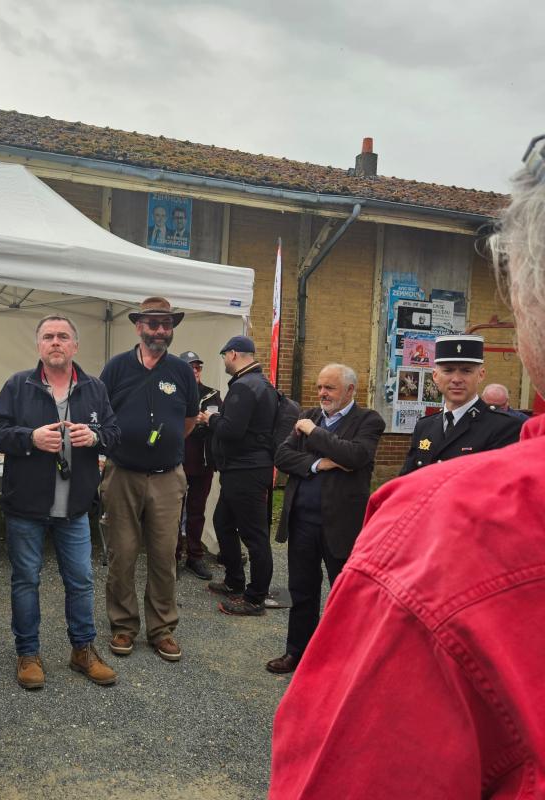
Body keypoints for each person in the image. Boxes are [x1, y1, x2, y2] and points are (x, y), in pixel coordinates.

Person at [268, 134, 545, 798]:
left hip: (364, 531)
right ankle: (299, 650)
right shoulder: (423, 427)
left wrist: (316, 447)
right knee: (304, 595)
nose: (451, 380)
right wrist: (308, 455)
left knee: (335, 595)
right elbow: (290, 453)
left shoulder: (497, 439)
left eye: (461, 371)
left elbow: (361, 459)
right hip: (308, 513)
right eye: (444, 369)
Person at [0, 315, 120, 689]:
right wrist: (30, 438)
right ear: (39, 346)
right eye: (48, 337)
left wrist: (94, 438)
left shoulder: (94, 388)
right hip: (26, 507)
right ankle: (28, 654)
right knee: (26, 580)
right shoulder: (18, 385)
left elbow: (113, 432)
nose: (56, 342)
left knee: (80, 581)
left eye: (63, 337)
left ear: (75, 346)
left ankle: (83, 650)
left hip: (75, 508)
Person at [266, 364, 384, 674]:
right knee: (301, 590)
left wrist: (313, 434)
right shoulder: (310, 415)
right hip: (302, 521)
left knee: (345, 596)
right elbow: (282, 456)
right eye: (320, 387)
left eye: (329, 388)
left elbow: (355, 456)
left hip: (341, 525)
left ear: (349, 391)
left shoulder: (367, 421)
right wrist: (320, 463)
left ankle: (346, 662)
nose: (322, 394)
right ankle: (297, 652)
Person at [100, 296, 198, 661]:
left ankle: (161, 629)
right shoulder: (116, 368)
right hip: (122, 474)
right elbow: (101, 414)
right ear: (138, 326)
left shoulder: (181, 371)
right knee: (121, 555)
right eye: (153, 324)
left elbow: (188, 420)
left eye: (166, 324)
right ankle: (123, 626)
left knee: (162, 557)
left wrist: (163, 445)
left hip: (167, 479)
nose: (160, 331)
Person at [202, 336, 299, 615]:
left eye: (224, 357)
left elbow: (232, 430)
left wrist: (210, 419)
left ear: (233, 354)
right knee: (222, 522)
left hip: (247, 470)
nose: (224, 362)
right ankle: (235, 580)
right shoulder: (259, 383)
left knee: (254, 536)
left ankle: (255, 598)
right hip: (242, 469)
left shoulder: (245, 386)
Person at [399, 335, 523, 475]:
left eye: (466, 370)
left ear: (481, 375)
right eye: (448, 370)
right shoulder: (424, 426)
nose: (457, 379)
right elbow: (407, 480)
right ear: (435, 376)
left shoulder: (504, 427)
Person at [175, 350, 220, 580]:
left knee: (196, 511)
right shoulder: (171, 392)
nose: (194, 371)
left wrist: (205, 422)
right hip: (175, 462)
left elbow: (216, 423)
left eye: (197, 367)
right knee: (173, 512)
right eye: (190, 367)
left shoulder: (212, 394)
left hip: (202, 463)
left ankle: (195, 556)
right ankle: (172, 557)